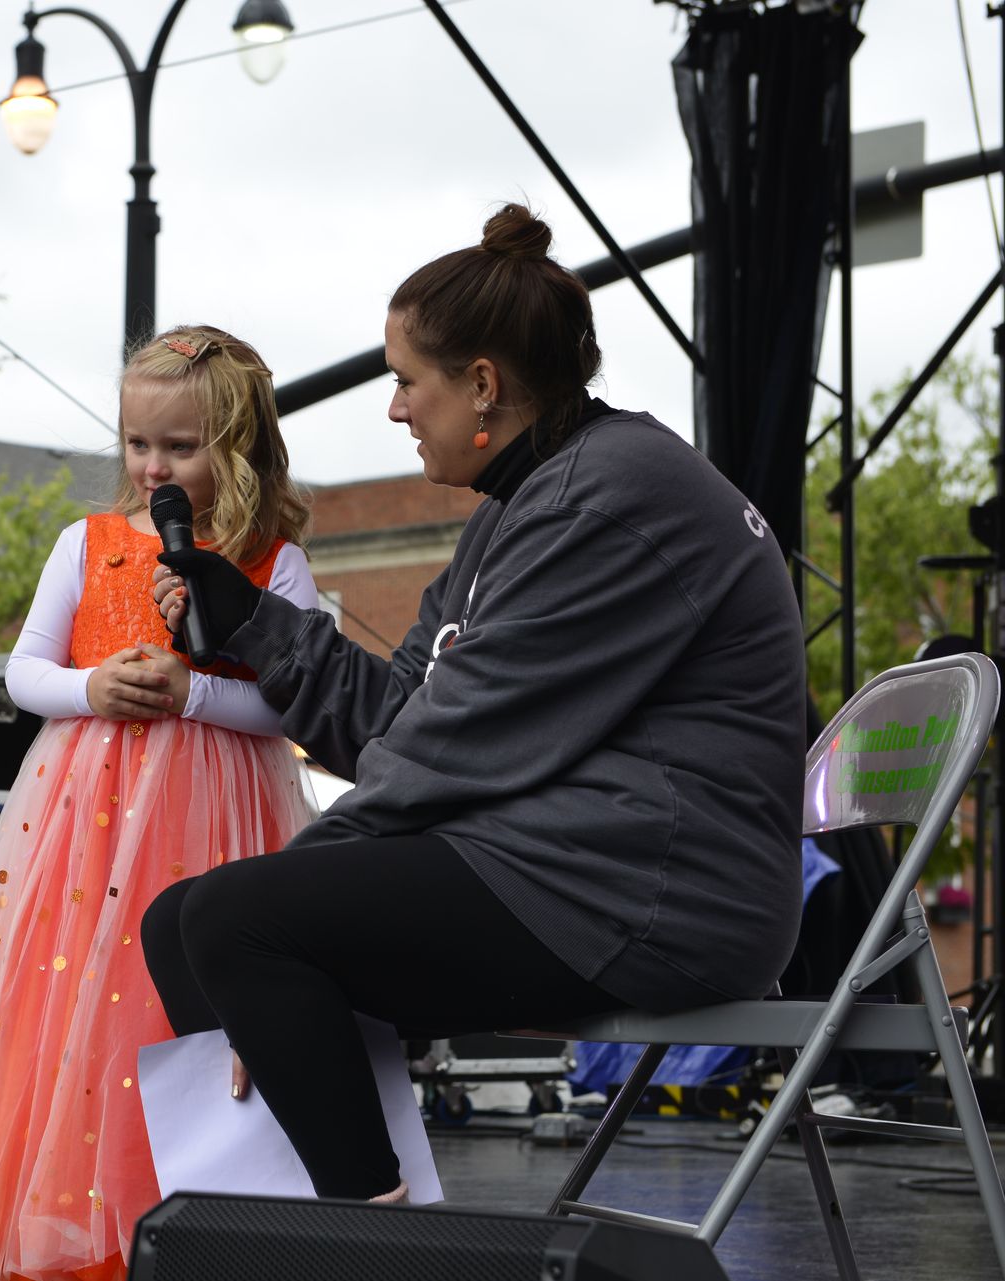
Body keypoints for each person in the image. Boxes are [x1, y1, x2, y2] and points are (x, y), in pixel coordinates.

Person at [144, 205, 808, 1205]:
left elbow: (444, 752)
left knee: (240, 923)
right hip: (566, 866)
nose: (397, 410)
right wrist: (253, 624)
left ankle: (367, 1241)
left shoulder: (609, 501)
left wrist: (290, 890)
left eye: (408, 382)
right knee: (181, 922)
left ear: (484, 385)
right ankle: (285, 1208)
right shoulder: (527, 505)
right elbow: (396, 721)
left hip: (656, 895)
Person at [0, 325, 321, 1281]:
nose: (152, 466)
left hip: (211, 821)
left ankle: (179, 1219)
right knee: (63, 1009)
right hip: (84, 822)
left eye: (180, 447)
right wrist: (94, 687)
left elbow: (289, 700)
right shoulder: (86, 544)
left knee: (174, 1012)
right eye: (138, 443)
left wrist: (198, 692)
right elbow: (23, 673)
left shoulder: (271, 559)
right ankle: (52, 1227)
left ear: (238, 446)